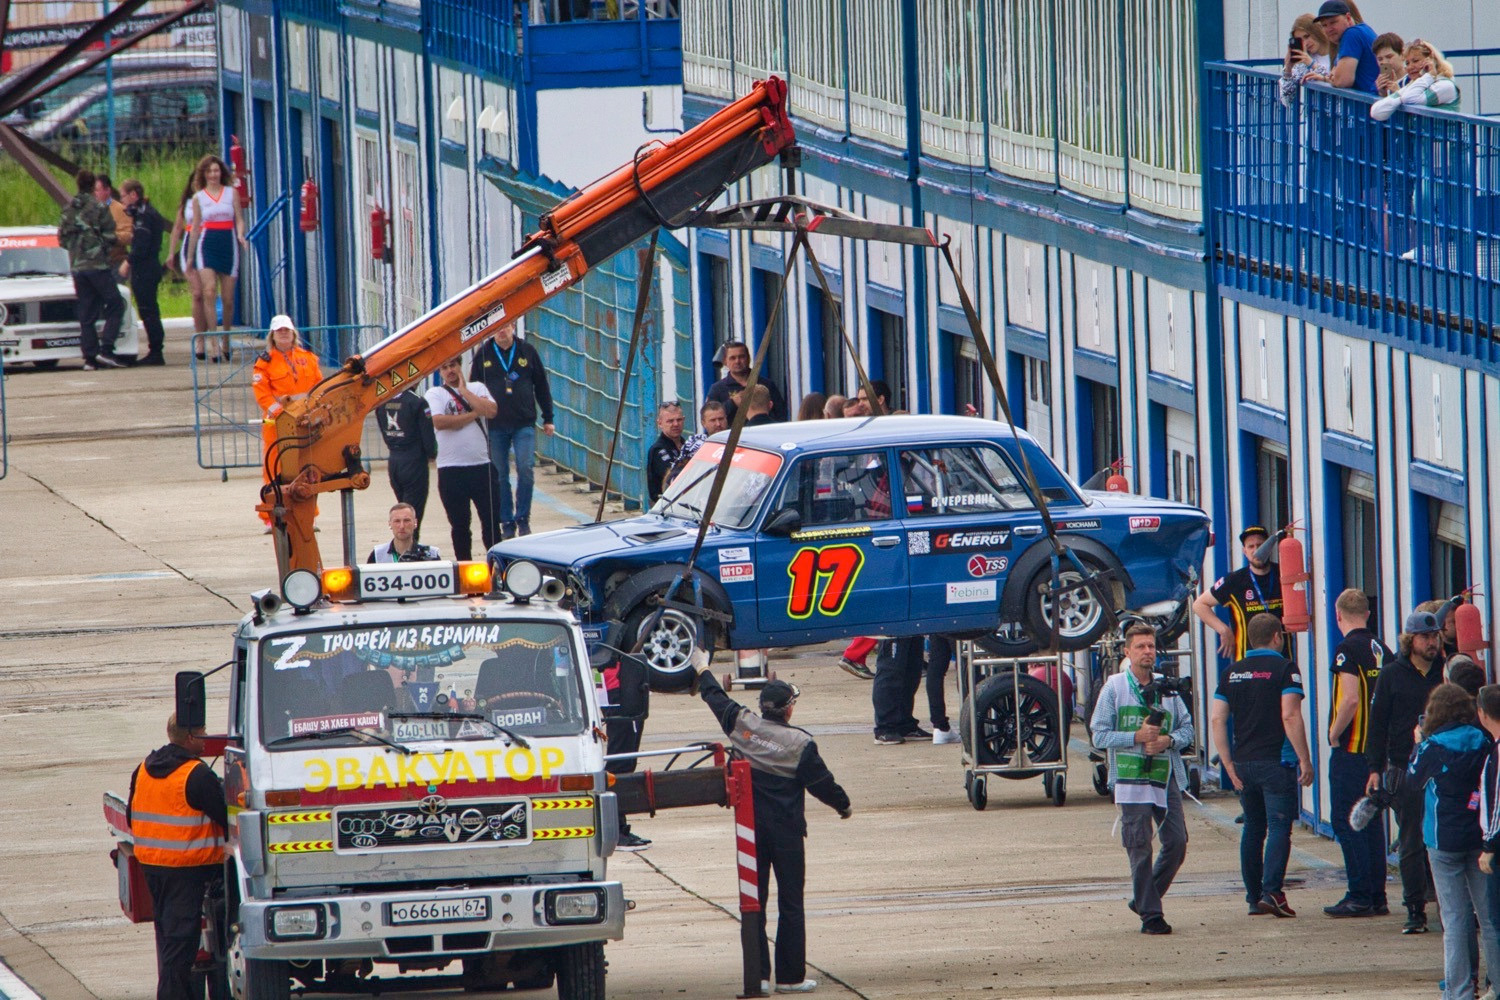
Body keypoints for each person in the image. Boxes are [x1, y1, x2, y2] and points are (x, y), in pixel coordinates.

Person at [696, 670, 851, 993]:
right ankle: (791, 978)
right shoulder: (801, 743)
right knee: (791, 903)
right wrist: (843, 806)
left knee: (753, 902)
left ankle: (759, 979)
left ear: (763, 706)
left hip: (750, 833)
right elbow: (822, 784)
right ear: (789, 709)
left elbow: (715, 697)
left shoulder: (742, 725)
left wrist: (702, 670)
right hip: (787, 834)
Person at [1090, 622, 1193, 935]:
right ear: (1127, 651)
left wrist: (1167, 741)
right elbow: (1099, 735)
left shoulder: (1167, 687)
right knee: (1139, 846)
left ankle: (1144, 897)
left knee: (1177, 842)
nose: (1147, 652)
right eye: (1140, 647)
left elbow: (1187, 729)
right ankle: (1151, 915)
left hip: (1164, 776)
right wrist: (1135, 736)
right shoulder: (1114, 688)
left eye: (1150, 646)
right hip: (1130, 778)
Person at [1211, 613, 1313, 917]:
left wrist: (1228, 764)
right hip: (1276, 762)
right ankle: (1273, 892)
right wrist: (1304, 759)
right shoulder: (1286, 669)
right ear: (1277, 637)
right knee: (1279, 827)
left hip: (1244, 763)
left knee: (1253, 828)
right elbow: (1290, 715)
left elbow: (1217, 718)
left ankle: (1254, 897)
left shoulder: (1231, 673)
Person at [1408, 684, 1499, 1000]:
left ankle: (1459, 991)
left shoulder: (1431, 747)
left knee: (1455, 919)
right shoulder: (1484, 742)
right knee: (1489, 917)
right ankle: (1497, 984)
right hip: (1480, 838)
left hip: (1443, 839)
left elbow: (1412, 781)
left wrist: (1418, 744)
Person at [127, 714, 227, 1000]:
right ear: (190, 737)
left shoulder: (143, 768)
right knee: (181, 946)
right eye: (203, 732)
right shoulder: (197, 775)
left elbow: (132, 816)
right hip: (188, 870)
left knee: (169, 938)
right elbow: (226, 818)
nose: (206, 738)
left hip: (153, 867)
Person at [1366, 609, 1446, 934]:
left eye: (1435, 636)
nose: (1431, 642)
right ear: (1410, 640)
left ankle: (1453, 907)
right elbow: (1377, 724)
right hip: (1406, 769)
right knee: (1411, 840)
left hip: (1444, 769)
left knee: (1447, 839)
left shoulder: (1446, 672)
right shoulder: (1391, 675)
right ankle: (1415, 909)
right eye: (1425, 637)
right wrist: (1375, 768)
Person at [1325, 588, 1394, 917]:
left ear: (1338, 615)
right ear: (1367, 614)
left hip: (1352, 749)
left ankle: (1359, 894)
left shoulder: (1346, 650)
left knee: (1346, 820)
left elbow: (1350, 698)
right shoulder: (1383, 649)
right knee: (1371, 820)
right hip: (1378, 753)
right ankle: (1377, 895)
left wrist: (1334, 732)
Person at [469, 322, 555, 539]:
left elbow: (541, 385)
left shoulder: (527, 351)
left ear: (513, 327)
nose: (502, 330)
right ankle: (506, 520)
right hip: (495, 425)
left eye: (506, 326)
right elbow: (473, 390)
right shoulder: (484, 354)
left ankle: (523, 518)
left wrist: (548, 418)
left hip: (523, 423)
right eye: (497, 327)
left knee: (525, 468)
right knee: (499, 475)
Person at [427, 356, 504, 560]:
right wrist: (473, 415)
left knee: (491, 522)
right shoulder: (435, 393)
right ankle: (464, 567)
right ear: (440, 372)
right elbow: (440, 422)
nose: (449, 370)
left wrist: (464, 392)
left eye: (453, 365)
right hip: (451, 469)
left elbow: (491, 411)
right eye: (444, 367)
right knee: (460, 525)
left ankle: (496, 567)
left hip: (481, 466)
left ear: (460, 366)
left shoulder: (477, 388)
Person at [252, 316, 323, 532]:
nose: (283, 334)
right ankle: (271, 518)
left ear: (293, 333)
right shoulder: (264, 363)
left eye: (287, 330)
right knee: (273, 471)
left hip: (304, 423)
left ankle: (308, 516)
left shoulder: (309, 358)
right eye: (279, 331)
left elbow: (319, 388)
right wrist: (282, 413)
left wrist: (312, 412)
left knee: (307, 469)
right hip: (277, 426)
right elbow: (262, 394)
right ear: (272, 335)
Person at [58, 169, 125, 370]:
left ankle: (90, 358)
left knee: (86, 313)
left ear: (78, 184)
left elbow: (61, 239)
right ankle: (107, 349)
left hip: (78, 268)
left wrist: (77, 249)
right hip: (98, 266)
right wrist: (100, 248)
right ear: (92, 185)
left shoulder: (68, 209)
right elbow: (110, 235)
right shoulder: (99, 207)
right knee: (115, 304)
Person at [186, 154, 247, 363]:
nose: (213, 174)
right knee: (209, 291)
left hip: (228, 243)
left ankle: (226, 339)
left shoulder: (231, 193)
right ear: (204, 174)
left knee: (228, 300)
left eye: (216, 170)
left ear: (221, 172)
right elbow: (195, 228)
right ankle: (213, 343)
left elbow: (239, 219)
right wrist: (190, 258)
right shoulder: (198, 198)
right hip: (207, 244)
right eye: (209, 171)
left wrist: (240, 235)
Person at [1193, 525, 1286, 661]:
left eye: (1260, 545)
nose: (1256, 550)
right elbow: (1199, 604)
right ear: (1244, 551)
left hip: (1282, 659)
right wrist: (1223, 630)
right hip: (1247, 661)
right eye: (1251, 546)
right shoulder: (1235, 580)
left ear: (1269, 547)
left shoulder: (1283, 573)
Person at [376, 386, 438, 540]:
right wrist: (432, 453)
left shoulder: (382, 400)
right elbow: (428, 437)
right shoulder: (417, 402)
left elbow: (382, 429)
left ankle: (405, 547)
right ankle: (409, 550)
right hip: (413, 460)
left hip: (394, 460)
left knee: (403, 509)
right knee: (411, 516)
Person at [119, 179, 169, 366]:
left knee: (148, 309)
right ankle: (155, 348)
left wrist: (128, 262)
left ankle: (156, 350)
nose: (122, 201)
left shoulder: (144, 215)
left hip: (145, 268)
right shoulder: (146, 212)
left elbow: (141, 245)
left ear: (133, 195)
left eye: (123, 196)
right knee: (148, 308)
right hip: (149, 266)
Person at [166, 170, 209, 353]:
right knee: (197, 293)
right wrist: (171, 253)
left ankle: (212, 336)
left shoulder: (211, 199)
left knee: (208, 293)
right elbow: (177, 228)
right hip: (190, 247)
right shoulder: (187, 203)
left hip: (208, 246)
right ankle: (200, 338)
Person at [1370, 39, 1461, 121]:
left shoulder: (1445, 85)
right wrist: (1399, 98)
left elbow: (1410, 99)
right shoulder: (1414, 85)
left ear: (1431, 60)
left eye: (1416, 61)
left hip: (1440, 135)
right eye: (1407, 63)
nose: (1410, 67)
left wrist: (1429, 75)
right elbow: (1376, 112)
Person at [1476, 686, 1500, 975]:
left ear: (1482, 714)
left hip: (1497, 845)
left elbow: (1496, 804)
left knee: (1495, 916)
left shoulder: (1496, 752)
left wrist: (1489, 845)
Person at [707, 341, 785, 424]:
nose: (737, 361)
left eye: (741, 357)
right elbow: (710, 416)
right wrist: (732, 403)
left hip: (762, 431)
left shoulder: (767, 384)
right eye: (732, 358)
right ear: (725, 361)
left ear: (748, 358)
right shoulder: (717, 389)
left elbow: (781, 414)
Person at [871, 637, 930, 744]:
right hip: (893, 631)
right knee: (890, 672)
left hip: (913, 631)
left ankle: (905, 725)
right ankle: (884, 729)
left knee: (911, 673)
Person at [1315, 0, 1379, 95]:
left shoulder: (1351, 34)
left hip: (1370, 101)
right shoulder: (1364, 29)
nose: (1329, 29)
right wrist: (1327, 78)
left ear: (1348, 17)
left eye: (1333, 22)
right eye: (1324, 25)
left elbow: (1342, 81)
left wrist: (1335, 77)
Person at [1280, 15, 1334, 108]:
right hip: (1314, 114)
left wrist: (1312, 64)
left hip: (1337, 113)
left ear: (1317, 32)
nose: (1306, 43)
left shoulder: (1336, 53)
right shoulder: (1304, 62)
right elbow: (1286, 100)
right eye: (1301, 40)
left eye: (1307, 36)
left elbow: (1335, 82)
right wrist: (1288, 70)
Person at [368, 503, 440, 563]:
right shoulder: (377, 555)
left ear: (415, 523)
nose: (402, 526)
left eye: (406, 520)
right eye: (397, 521)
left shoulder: (431, 554)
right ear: (390, 524)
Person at [646, 401, 686, 504]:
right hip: (665, 506)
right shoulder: (658, 450)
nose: (676, 424)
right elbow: (674, 479)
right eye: (670, 421)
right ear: (660, 423)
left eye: (679, 420)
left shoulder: (687, 445)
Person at [1372, 32, 1405, 97]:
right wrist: (1381, 93)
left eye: (1389, 57)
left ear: (1402, 55)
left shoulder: (1412, 79)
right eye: (1380, 59)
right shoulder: (1377, 84)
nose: (1384, 62)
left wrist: (1398, 93)